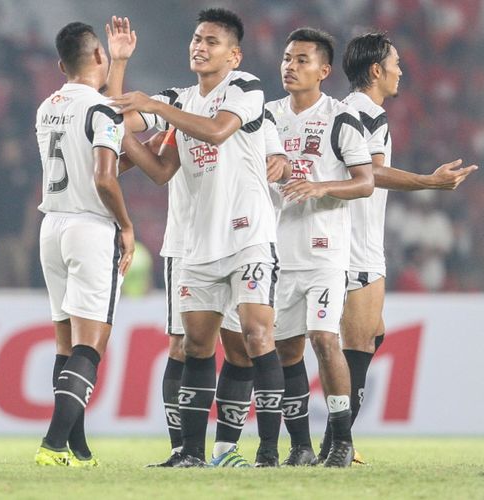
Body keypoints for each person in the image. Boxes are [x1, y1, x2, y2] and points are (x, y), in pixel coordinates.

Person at [113, 8, 285, 467]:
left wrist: (159, 110)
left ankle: (268, 451)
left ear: (234, 54)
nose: (199, 46)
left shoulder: (245, 88)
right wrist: (120, 65)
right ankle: (189, 453)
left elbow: (218, 130)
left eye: (211, 41)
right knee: (194, 345)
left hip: (247, 234)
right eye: (196, 38)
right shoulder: (180, 97)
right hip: (193, 242)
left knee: (254, 333)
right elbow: (133, 134)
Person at [314, 31, 478, 463]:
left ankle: (336, 443)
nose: (401, 70)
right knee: (357, 346)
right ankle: (337, 446)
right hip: (354, 249)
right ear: (375, 70)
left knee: (371, 335)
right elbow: (371, 175)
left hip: (353, 244)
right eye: (396, 63)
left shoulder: (350, 111)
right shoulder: (366, 114)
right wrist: (428, 181)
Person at [266, 27, 374, 467]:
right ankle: (300, 447)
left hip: (326, 253)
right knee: (286, 350)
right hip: (277, 252)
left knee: (324, 338)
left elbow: (365, 182)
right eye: (287, 58)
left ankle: (342, 440)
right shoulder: (266, 115)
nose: (290, 66)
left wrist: (318, 186)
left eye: (302, 60)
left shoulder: (340, 118)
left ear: (324, 71)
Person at [33, 20, 134, 467]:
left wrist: (120, 61)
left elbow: (87, 160)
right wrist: (127, 226)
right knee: (90, 345)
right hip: (91, 228)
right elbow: (103, 177)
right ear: (98, 57)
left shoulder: (46, 107)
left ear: (61, 65)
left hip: (51, 225)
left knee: (65, 342)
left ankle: (78, 448)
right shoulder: (102, 112)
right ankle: (53, 446)